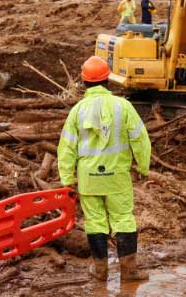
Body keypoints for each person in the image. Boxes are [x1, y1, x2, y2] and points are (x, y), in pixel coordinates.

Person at [58, 56, 151, 283]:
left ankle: (100, 271)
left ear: (84, 82)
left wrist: (66, 178)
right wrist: (143, 167)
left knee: (95, 222)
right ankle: (129, 272)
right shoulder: (124, 106)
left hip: (89, 179)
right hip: (117, 178)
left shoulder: (77, 111)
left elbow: (66, 147)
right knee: (123, 220)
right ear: (107, 79)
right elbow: (141, 139)